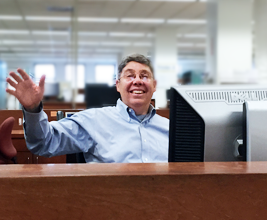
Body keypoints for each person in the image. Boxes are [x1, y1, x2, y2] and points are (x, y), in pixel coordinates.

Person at [5, 54, 169, 163]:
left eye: (144, 76)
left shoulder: (171, 129)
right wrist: (33, 109)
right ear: (118, 85)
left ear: (154, 86)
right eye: (130, 75)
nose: (138, 81)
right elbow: (43, 143)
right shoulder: (93, 121)